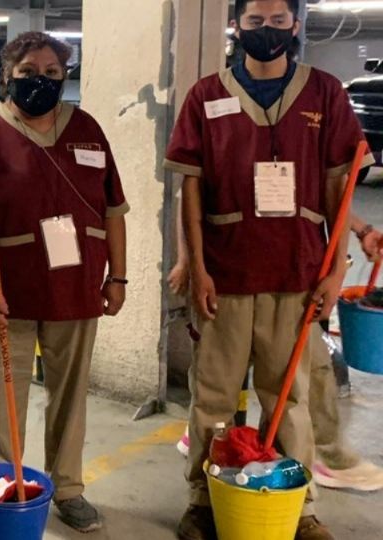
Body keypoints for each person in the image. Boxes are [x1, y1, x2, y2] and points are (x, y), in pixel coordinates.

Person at [164, 0, 375, 538]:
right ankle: (203, 502)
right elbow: (190, 188)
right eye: (255, 22)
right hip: (227, 275)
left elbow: (337, 184)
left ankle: (297, 507)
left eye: (278, 21)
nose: (267, 31)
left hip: (297, 274)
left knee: (291, 400)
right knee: (213, 400)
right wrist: (197, 265)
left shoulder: (325, 93)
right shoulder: (206, 95)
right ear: (237, 26)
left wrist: (335, 270)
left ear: (295, 26)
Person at [0, 32, 129, 533]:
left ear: (64, 76)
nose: (39, 81)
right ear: (7, 76)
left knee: (71, 394)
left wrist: (119, 277)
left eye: (50, 72)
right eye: (27, 73)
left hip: (76, 288)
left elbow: (113, 210)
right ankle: (1, 489)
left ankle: (67, 488)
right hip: (5, 295)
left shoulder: (86, 129)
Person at [170, 210, 383, 493]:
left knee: (303, 373)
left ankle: (318, 457)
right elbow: (189, 198)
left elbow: (327, 190)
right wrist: (188, 263)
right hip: (229, 275)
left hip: (288, 281)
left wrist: (360, 230)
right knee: (219, 379)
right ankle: (324, 454)